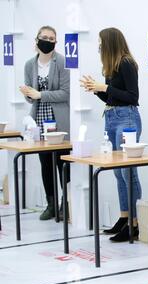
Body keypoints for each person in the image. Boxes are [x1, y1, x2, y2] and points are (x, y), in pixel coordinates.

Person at [80, 27, 142, 242]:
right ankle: (124, 216)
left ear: (109, 43)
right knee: (117, 172)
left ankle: (135, 222)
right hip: (112, 117)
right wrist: (97, 90)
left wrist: (104, 86)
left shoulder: (126, 63)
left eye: (100, 43)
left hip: (127, 119)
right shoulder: (112, 67)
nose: (98, 47)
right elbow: (112, 99)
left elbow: (132, 97)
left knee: (127, 172)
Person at [19, 26, 71, 221]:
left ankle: (66, 203)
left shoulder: (62, 62)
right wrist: (28, 95)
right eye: (45, 37)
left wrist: (40, 94)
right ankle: (51, 204)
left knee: (62, 162)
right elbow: (31, 98)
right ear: (37, 39)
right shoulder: (29, 65)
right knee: (45, 163)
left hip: (59, 120)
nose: (48, 41)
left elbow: (66, 93)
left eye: (52, 38)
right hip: (39, 120)